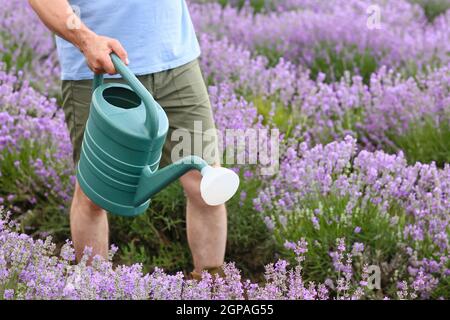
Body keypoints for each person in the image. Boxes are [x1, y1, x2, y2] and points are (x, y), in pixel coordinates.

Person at [29, 0, 226, 279]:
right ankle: (95, 289)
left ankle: (212, 287)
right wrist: (85, 40)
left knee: (207, 181)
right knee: (93, 194)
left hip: (177, 64)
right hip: (102, 67)